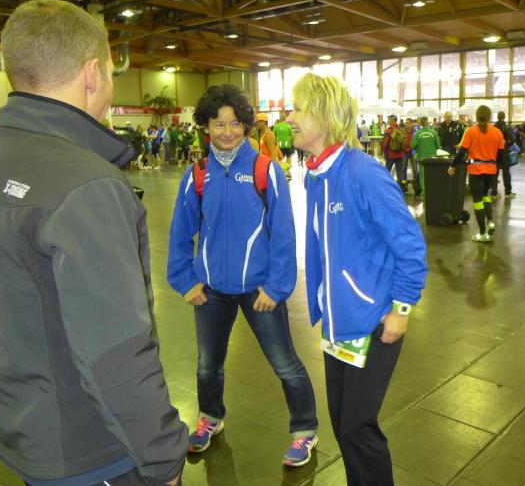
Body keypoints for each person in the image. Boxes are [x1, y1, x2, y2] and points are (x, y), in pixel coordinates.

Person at [0, 0, 186, 486]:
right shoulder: (86, 185)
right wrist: (162, 457)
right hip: (96, 451)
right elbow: (117, 351)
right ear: (93, 74)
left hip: (23, 430)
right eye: (111, 72)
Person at [167, 84, 318, 465]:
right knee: (207, 365)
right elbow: (180, 231)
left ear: (246, 126)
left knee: (285, 364)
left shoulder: (265, 170)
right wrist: (185, 281)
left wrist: (277, 287)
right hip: (211, 290)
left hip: (259, 290)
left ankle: (304, 430)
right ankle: (210, 417)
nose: (227, 132)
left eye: (235, 123)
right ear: (206, 126)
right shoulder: (198, 174)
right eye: (218, 124)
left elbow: (284, 233)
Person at [288, 73, 427, 486]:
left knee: (357, 428)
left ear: (324, 116)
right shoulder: (317, 176)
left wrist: (401, 309)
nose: (289, 118)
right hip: (337, 323)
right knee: (343, 424)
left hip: (373, 322)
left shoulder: (364, 173)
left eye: (298, 109)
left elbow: (410, 245)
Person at [448, 105, 505, 242]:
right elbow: (502, 154)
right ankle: (490, 221)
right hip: (491, 170)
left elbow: (461, 152)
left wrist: (453, 166)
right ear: (489, 116)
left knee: (478, 200)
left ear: (477, 116)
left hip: (476, 170)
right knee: (486, 196)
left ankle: (482, 232)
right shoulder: (497, 132)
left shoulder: (471, 131)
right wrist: (497, 167)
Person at [411, 115, 441, 195]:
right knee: (432, 173)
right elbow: (438, 145)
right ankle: (432, 190)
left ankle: (424, 191)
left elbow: (413, 146)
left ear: (420, 123)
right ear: (427, 122)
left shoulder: (417, 133)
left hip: (422, 157)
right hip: (432, 157)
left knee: (423, 175)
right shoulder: (433, 133)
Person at [491, 111, 516, 198]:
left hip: (495, 152)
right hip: (504, 151)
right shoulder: (506, 127)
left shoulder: (493, 127)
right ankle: (508, 192)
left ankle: (494, 193)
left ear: (497, 117)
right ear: (504, 117)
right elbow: (513, 139)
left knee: (495, 172)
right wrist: (507, 144)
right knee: (506, 172)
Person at [383, 114, 406, 188]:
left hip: (390, 155)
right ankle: (400, 187)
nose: (388, 120)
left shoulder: (389, 130)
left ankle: (386, 187)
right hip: (400, 154)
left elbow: (385, 144)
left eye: (389, 119)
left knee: (386, 172)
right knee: (399, 172)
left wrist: (384, 151)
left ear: (392, 120)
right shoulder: (401, 130)